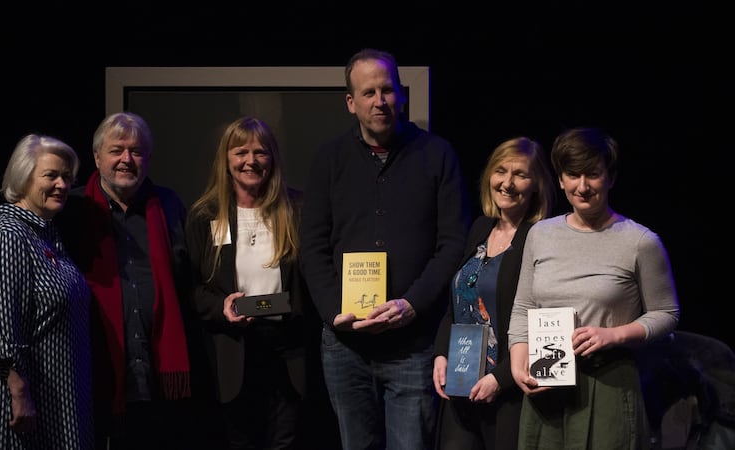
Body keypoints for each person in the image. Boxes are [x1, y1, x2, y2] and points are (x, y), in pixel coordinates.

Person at [299, 48, 472, 450]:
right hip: (345, 345)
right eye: (369, 93)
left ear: (401, 94)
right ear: (351, 102)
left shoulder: (437, 155)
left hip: (412, 344)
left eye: (388, 90)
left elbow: (452, 245)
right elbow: (313, 246)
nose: (380, 101)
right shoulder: (329, 158)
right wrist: (333, 312)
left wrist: (411, 304)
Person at [508, 126, 681, 449]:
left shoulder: (639, 241)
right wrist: (519, 360)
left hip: (608, 384)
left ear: (610, 177)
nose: (582, 186)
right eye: (573, 175)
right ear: (560, 180)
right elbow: (524, 307)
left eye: (593, 175)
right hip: (546, 382)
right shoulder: (540, 234)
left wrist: (613, 334)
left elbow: (667, 314)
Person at [57, 111, 194, 449]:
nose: (126, 160)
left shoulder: (169, 204)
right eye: (117, 150)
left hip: (157, 374)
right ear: (96, 156)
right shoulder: (71, 209)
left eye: (136, 152)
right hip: (92, 369)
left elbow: (191, 275)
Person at [185, 116, 310, 449]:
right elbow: (193, 289)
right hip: (233, 354)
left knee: (287, 441)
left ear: (273, 159)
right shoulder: (204, 215)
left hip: (288, 352)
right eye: (241, 152)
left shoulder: (297, 209)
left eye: (260, 152)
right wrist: (221, 308)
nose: (250, 161)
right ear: (226, 160)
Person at [0, 134, 92, 449]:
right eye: (50, 175)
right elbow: (2, 329)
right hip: (16, 403)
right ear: (23, 178)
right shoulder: (7, 236)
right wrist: (19, 394)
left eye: (66, 176)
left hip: (52, 399)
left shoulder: (46, 235)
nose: (62, 184)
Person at [432, 137, 555, 450]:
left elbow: (544, 324)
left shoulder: (541, 238)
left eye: (521, 175)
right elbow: (458, 302)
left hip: (510, 394)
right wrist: (441, 353)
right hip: (463, 385)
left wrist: (500, 379)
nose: (508, 183)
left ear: (537, 185)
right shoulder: (479, 228)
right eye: (501, 171)